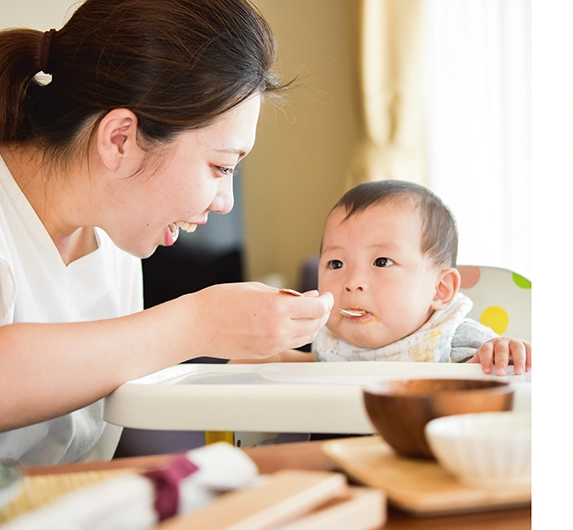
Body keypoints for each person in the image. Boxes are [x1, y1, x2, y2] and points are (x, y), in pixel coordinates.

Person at [0, 0, 334, 466]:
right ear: (121, 139)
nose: (225, 202)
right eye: (220, 166)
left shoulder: (113, 236)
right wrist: (198, 324)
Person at [237, 181, 530, 376]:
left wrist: (502, 354)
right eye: (336, 263)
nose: (352, 282)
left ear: (440, 290)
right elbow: (315, 367)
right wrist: (261, 357)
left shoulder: (454, 339)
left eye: (381, 261)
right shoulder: (331, 342)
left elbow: (507, 366)